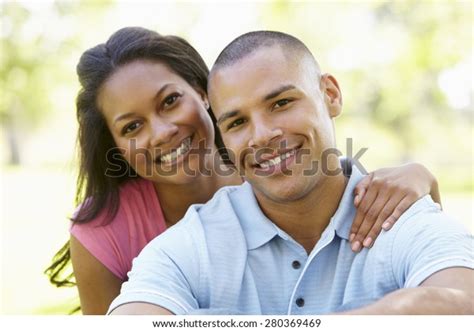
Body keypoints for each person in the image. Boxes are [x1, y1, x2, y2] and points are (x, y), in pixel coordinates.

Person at [45, 27, 442, 315]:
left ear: (205, 96)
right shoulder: (106, 231)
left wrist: (424, 179)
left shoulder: (275, 172)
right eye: (132, 127)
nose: (162, 132)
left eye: (169, 102)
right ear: (115, 144)